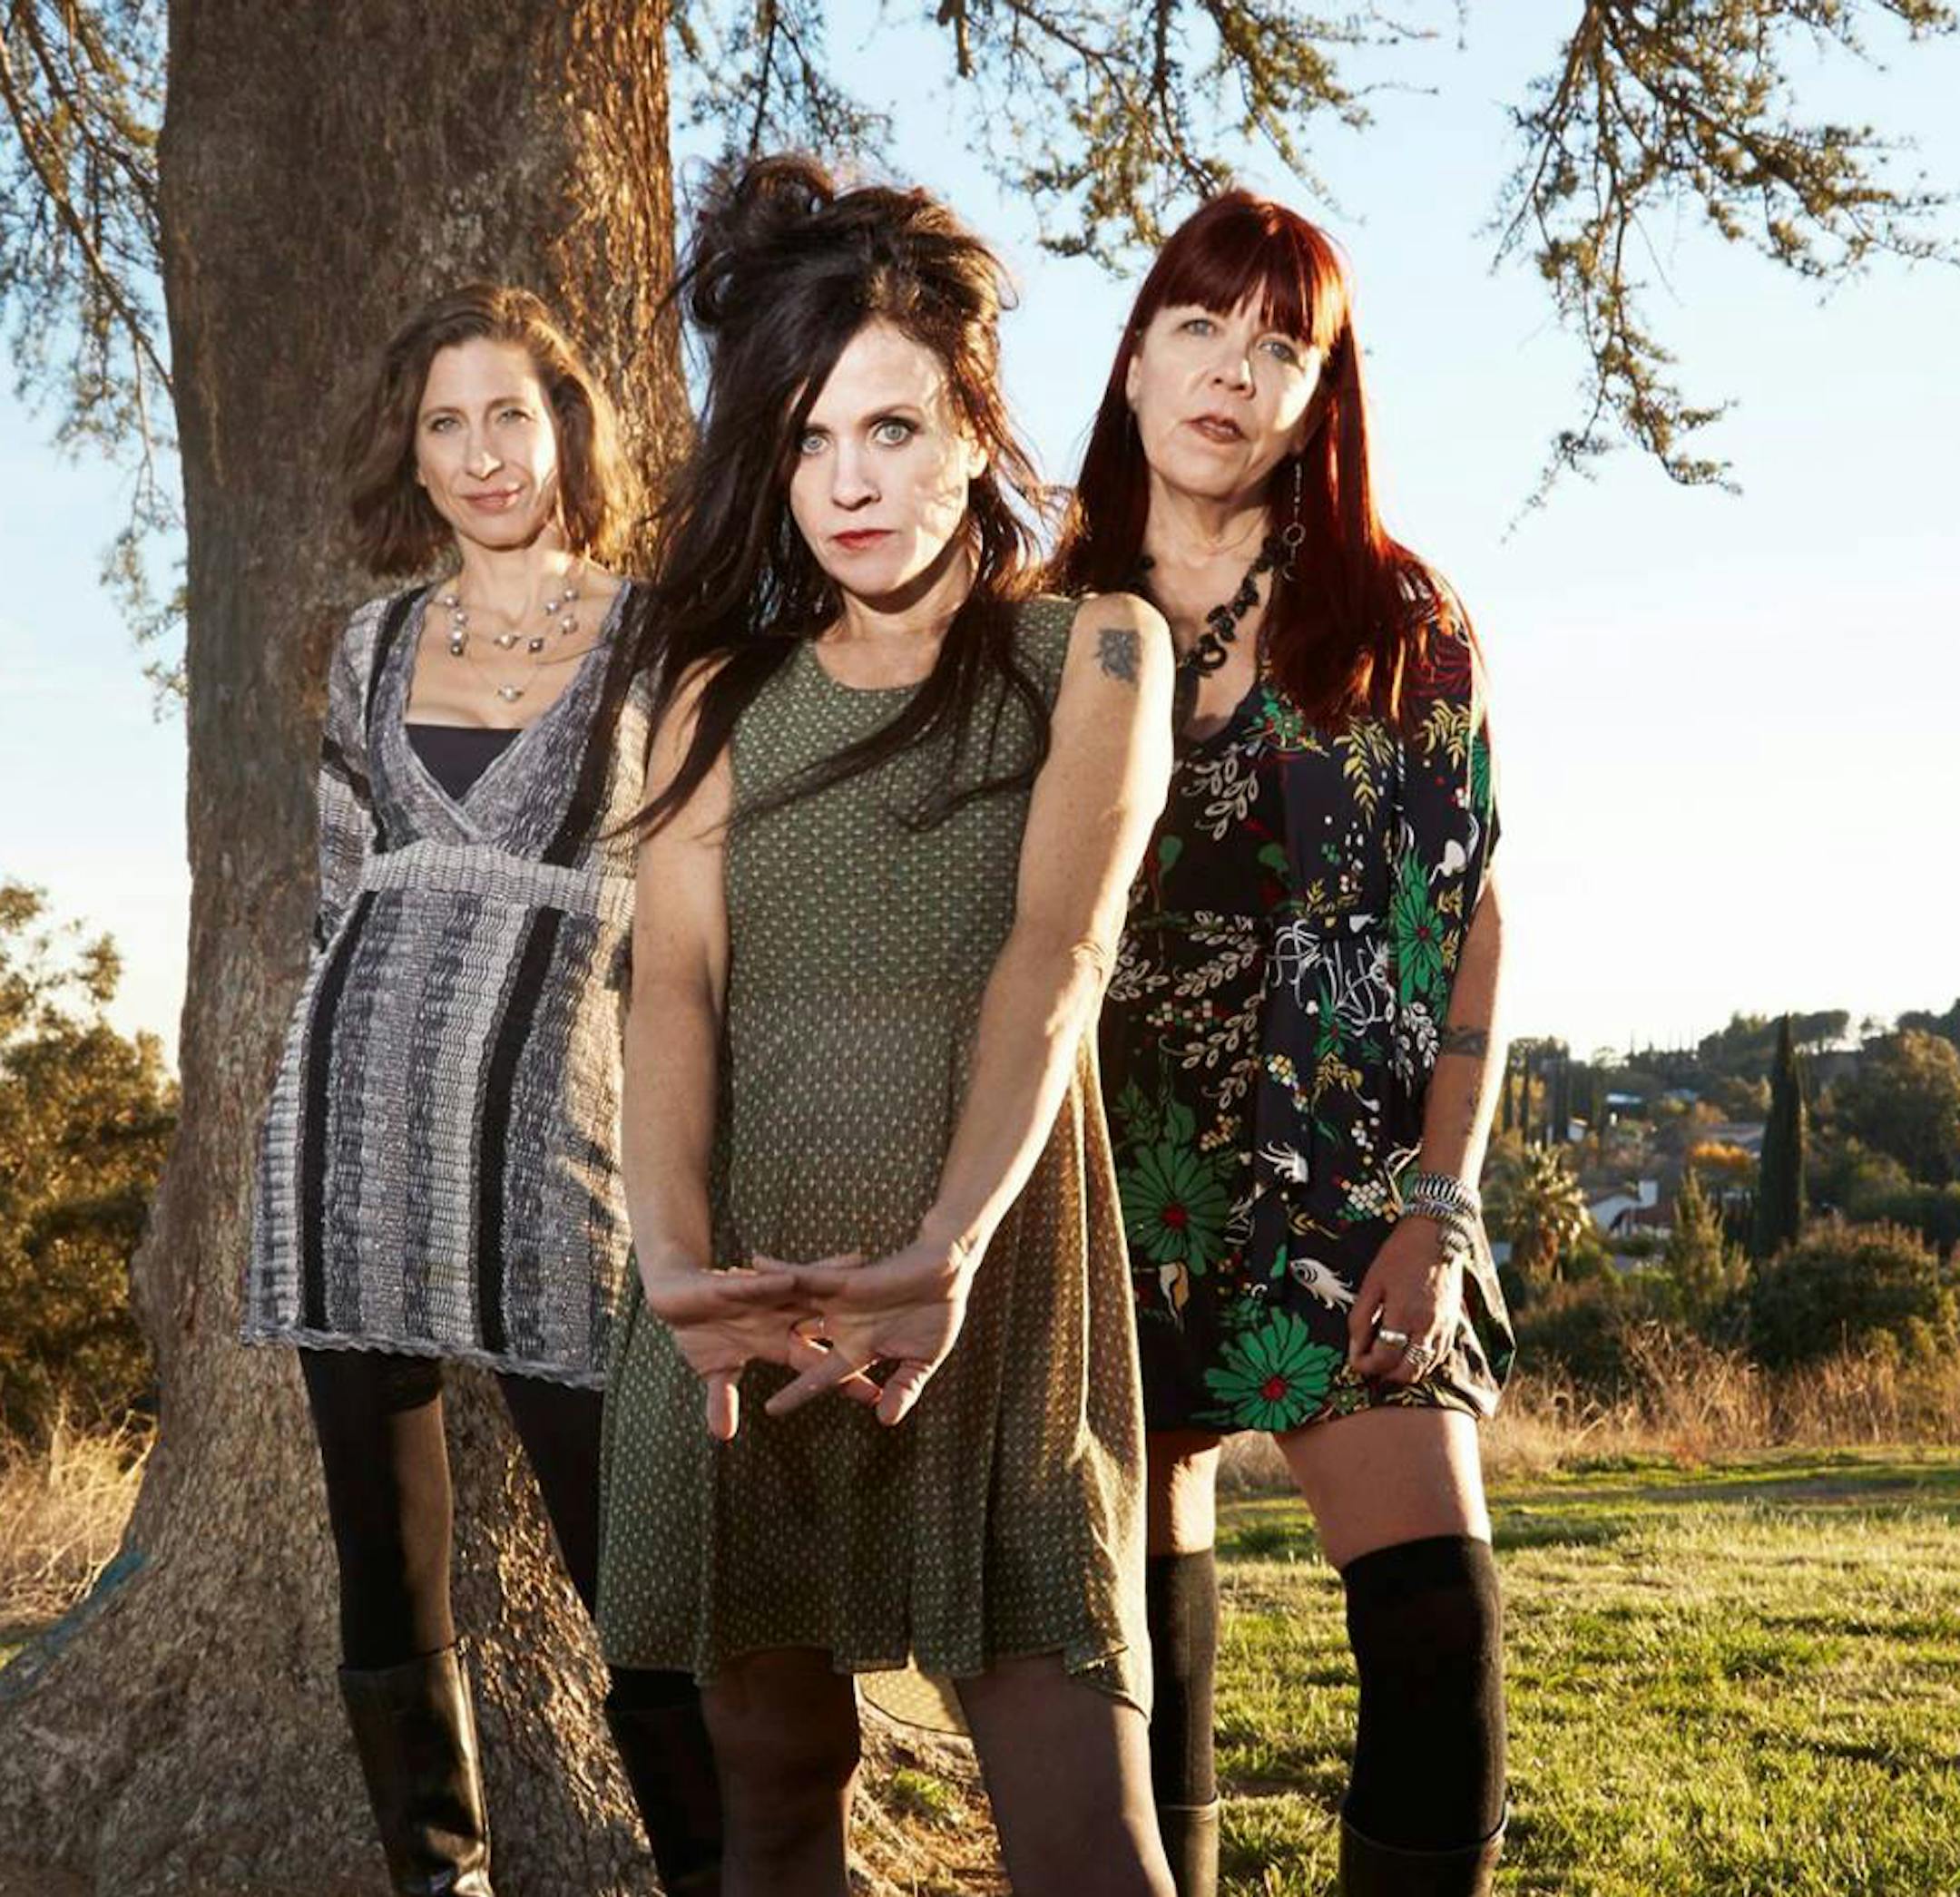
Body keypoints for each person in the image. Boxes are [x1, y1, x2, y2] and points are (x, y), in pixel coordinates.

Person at [595, 155, 1176, 1897]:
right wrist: (676, 1269)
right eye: (807, 441)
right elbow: (673, 990)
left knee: (1090, 1843)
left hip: (994, 1294)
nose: (849, 483)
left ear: (976, 428)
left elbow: (1057, 953)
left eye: (895, 429)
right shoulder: (718, 692)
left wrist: (947, 1249)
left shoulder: (1099, 654)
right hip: (743, 1312)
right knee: (775, 1806)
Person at [1051, 192, 1514, 1897]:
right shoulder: (1037, 625)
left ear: (1323, 397)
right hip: (1106, 1177)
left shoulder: (1399, 623)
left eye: (1278, 347)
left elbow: (1467, 918)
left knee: (1436, 1619)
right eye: (1199, 327)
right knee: (1136, 1636)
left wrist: (1439, 1208)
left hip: (1345, 1182)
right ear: (1133, 359)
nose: (1231, 375)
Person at [244, 282, 721, 1895]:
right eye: (444, 424)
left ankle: (721, 1870)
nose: (481, 453)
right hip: (347, 1139)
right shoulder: (371, 644)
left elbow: (689, 922)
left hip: (554, 1149)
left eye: (508, 413)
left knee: (633, 1565)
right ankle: (436, 1877)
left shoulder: (661, 636)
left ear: (565, 427)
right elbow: (339, 892)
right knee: (385, 1561)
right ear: (414, 452)